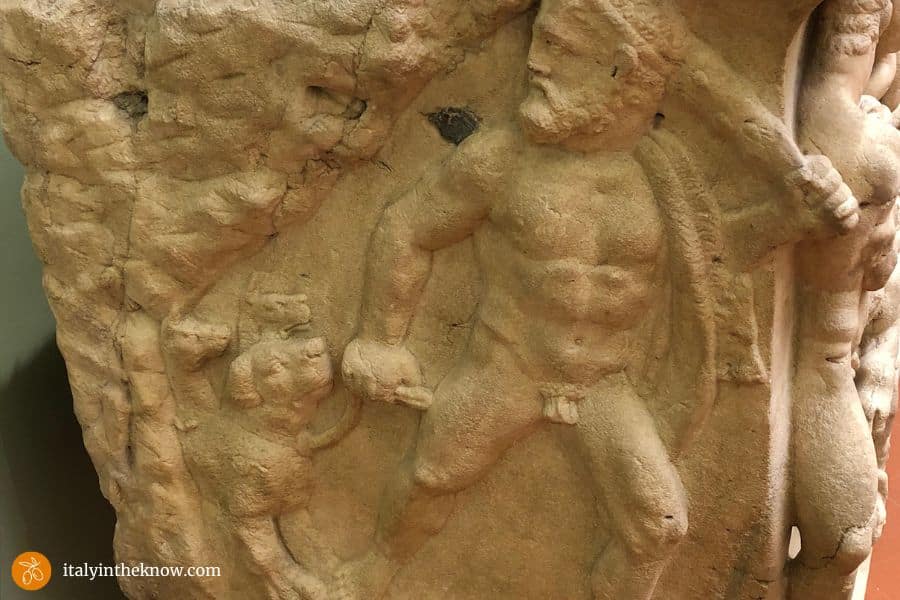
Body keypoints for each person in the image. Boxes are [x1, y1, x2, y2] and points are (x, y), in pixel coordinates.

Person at [339, 1, 860, 597]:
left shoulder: (664, 173)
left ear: (619, 68)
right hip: (507, 364)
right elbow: (409, 226)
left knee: (660, 525)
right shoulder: (501, 160)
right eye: (538, 42)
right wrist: (379, 339)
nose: (534, 63)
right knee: (432, 475)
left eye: (559, 48)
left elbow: (712, 257)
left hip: (604, 383)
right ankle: (370, 571)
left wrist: (797, 214)